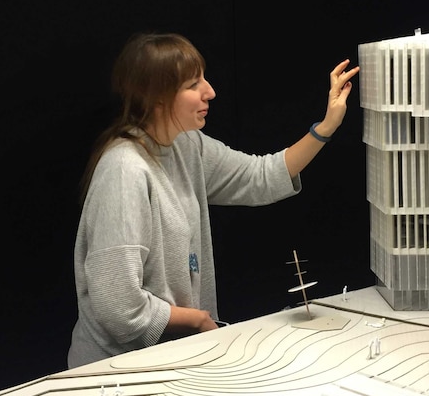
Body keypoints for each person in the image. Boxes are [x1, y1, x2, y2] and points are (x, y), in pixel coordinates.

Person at [67, 32, 358, 368]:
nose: (210, 92)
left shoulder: (186, 145)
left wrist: (327, 125)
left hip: (172, 360)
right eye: (194, 84)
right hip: (118, 374)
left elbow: (258, 177)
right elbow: (118, 305)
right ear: (157, 96)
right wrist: (196, 320)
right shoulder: (124, 169)